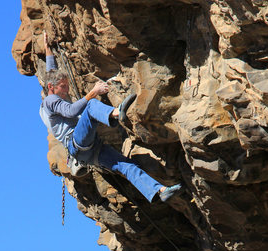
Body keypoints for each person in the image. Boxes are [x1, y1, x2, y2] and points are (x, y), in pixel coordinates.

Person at [39, 32, 182, 203]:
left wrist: (48, 48)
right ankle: (116, 112)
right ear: (51, 87)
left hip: (90, 152)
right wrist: (94, 92)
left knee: (126, 165)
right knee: (91, 106)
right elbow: (71, 111)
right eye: (63, 87)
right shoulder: (50, 100)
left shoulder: (54, 91)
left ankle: (160, 190)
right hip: (76, 143)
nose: (67, 91)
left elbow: (51, 71)